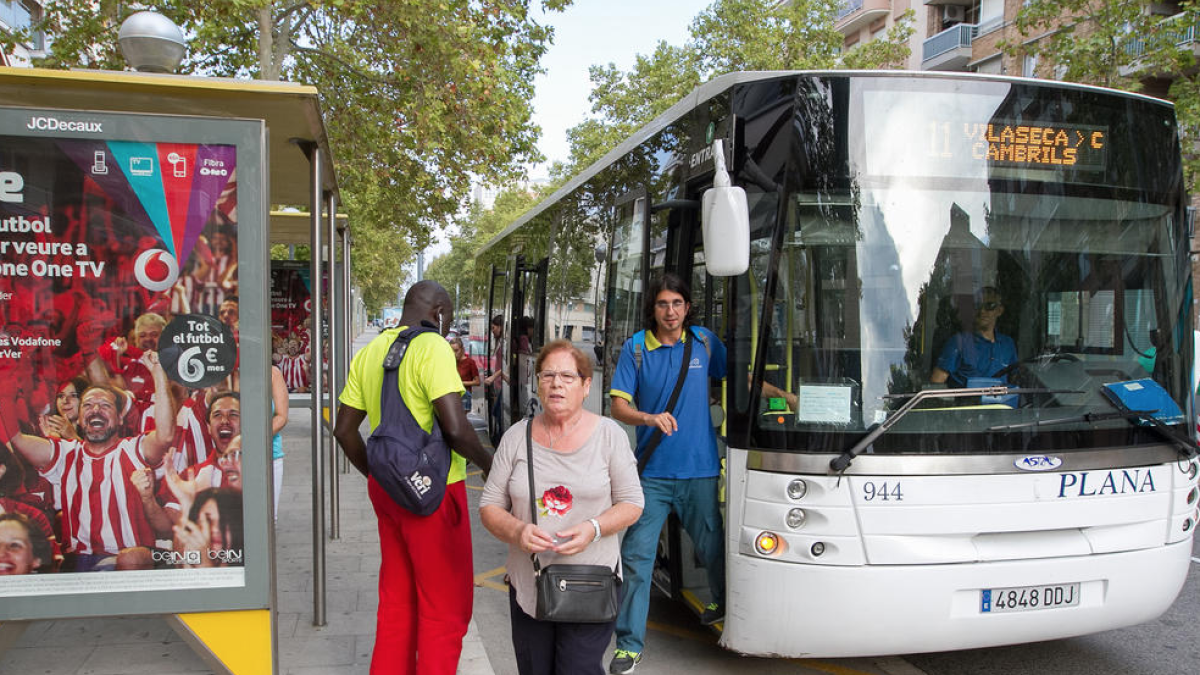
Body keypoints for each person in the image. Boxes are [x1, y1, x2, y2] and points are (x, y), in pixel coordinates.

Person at [333, 279, 494, 675]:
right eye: (449, 318)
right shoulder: (433, 347)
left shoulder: (371, 351)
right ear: (438, 312)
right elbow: (456, 430)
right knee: (444, 607)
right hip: (436, 494)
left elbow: (343, 430)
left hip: (388, 491)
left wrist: (379, 475)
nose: (448, 327)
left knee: (397, 600)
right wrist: (493, 466)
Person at [481, 340, 643, 675]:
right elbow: (490, 505)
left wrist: (593, 529)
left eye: (568, 376)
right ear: (537, 382)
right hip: (531, 583)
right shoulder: (516, 438)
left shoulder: (609, 436)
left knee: (578, 669)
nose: (557, 383)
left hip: (592, 583)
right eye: (548, 375)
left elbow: (632, 502)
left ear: (586, 386)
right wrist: (517, 529)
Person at [607, 273, 728, 674]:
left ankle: (721, 602)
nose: (670, 311)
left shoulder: (705, 342)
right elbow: (618, 406)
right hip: (652, 475)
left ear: (687, 307)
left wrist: (782, 394)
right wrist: (648, 417)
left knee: (713, 548)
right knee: (637, 557)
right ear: (653, 309)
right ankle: (629, 646)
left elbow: (737, 377)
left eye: (677, 303)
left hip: (701, 471)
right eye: (663, 304)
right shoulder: (637, 349)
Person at [2, 351, 175, 571]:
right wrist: (6, 391)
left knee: (129, 560)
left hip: (128, 562)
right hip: (79, 564)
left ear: (120, 418)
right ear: (81, 419)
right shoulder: (65, 454)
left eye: (105, 405)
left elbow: (165, 435)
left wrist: (158, 372)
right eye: (87, 405)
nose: (95, 409)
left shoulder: (132, 449)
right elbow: (16, 440)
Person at [930, 286, 1017, 388]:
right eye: (978, 305)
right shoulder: (958, 342)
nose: (982, 311)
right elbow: (936, 384)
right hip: (967, 403)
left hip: (1002, 404)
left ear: (999, 310)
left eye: (989, 306)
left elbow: (1015, 380)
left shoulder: (1008, 344)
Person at [484, 314, 506, 445]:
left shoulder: (505, 343)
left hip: (500, 382)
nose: (493, 331)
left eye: (494, 328)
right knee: (497, 413)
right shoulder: (500, 342)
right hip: (498, 383)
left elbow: (505, 366)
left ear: (501, 327)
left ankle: (500, 442)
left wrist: (493, 377)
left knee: (497, 413)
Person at [270, 364, 288, 518]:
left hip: (268, 455)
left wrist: (249, 440)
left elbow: (281, 416)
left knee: (268, 517)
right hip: (226, 458)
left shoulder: (272, 374)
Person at [449, 336, 480, 413]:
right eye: (451, 351)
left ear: (462, 349)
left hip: (464, 396)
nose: (454, 353)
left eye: (456, 350)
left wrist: (460, 383)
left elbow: (477, 382)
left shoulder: (470, 362)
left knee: (460, 421)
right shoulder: (449, 362)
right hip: (451, 396)